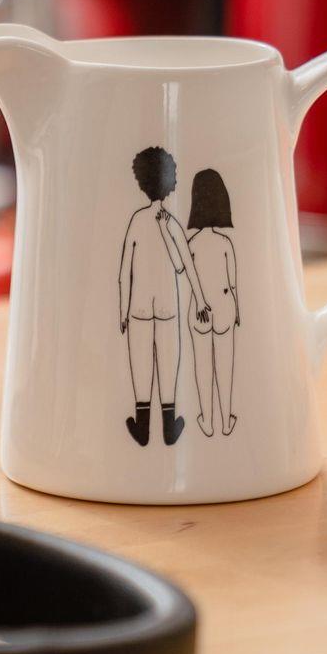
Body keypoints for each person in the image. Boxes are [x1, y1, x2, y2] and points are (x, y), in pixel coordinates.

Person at [116, 145, 201, 447]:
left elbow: (124, 272)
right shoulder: (171, 223)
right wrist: (200, 299)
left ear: (142, 182)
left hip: (138, 307)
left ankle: (142, 427)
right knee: (168, 362)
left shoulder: (137, 221)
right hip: (167, 307)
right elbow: (185, 265)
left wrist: (123, 311)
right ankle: (169, 426)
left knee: (140, 364)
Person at [184, 169, 240, 438]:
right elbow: (233, 282)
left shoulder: (192, 244)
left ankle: (207, 420)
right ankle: (226, 421)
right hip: (225, 304)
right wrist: (237, 311)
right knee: (225, 365)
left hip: (200, 308)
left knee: (202, 365)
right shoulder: (225, 243)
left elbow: (186, 275)